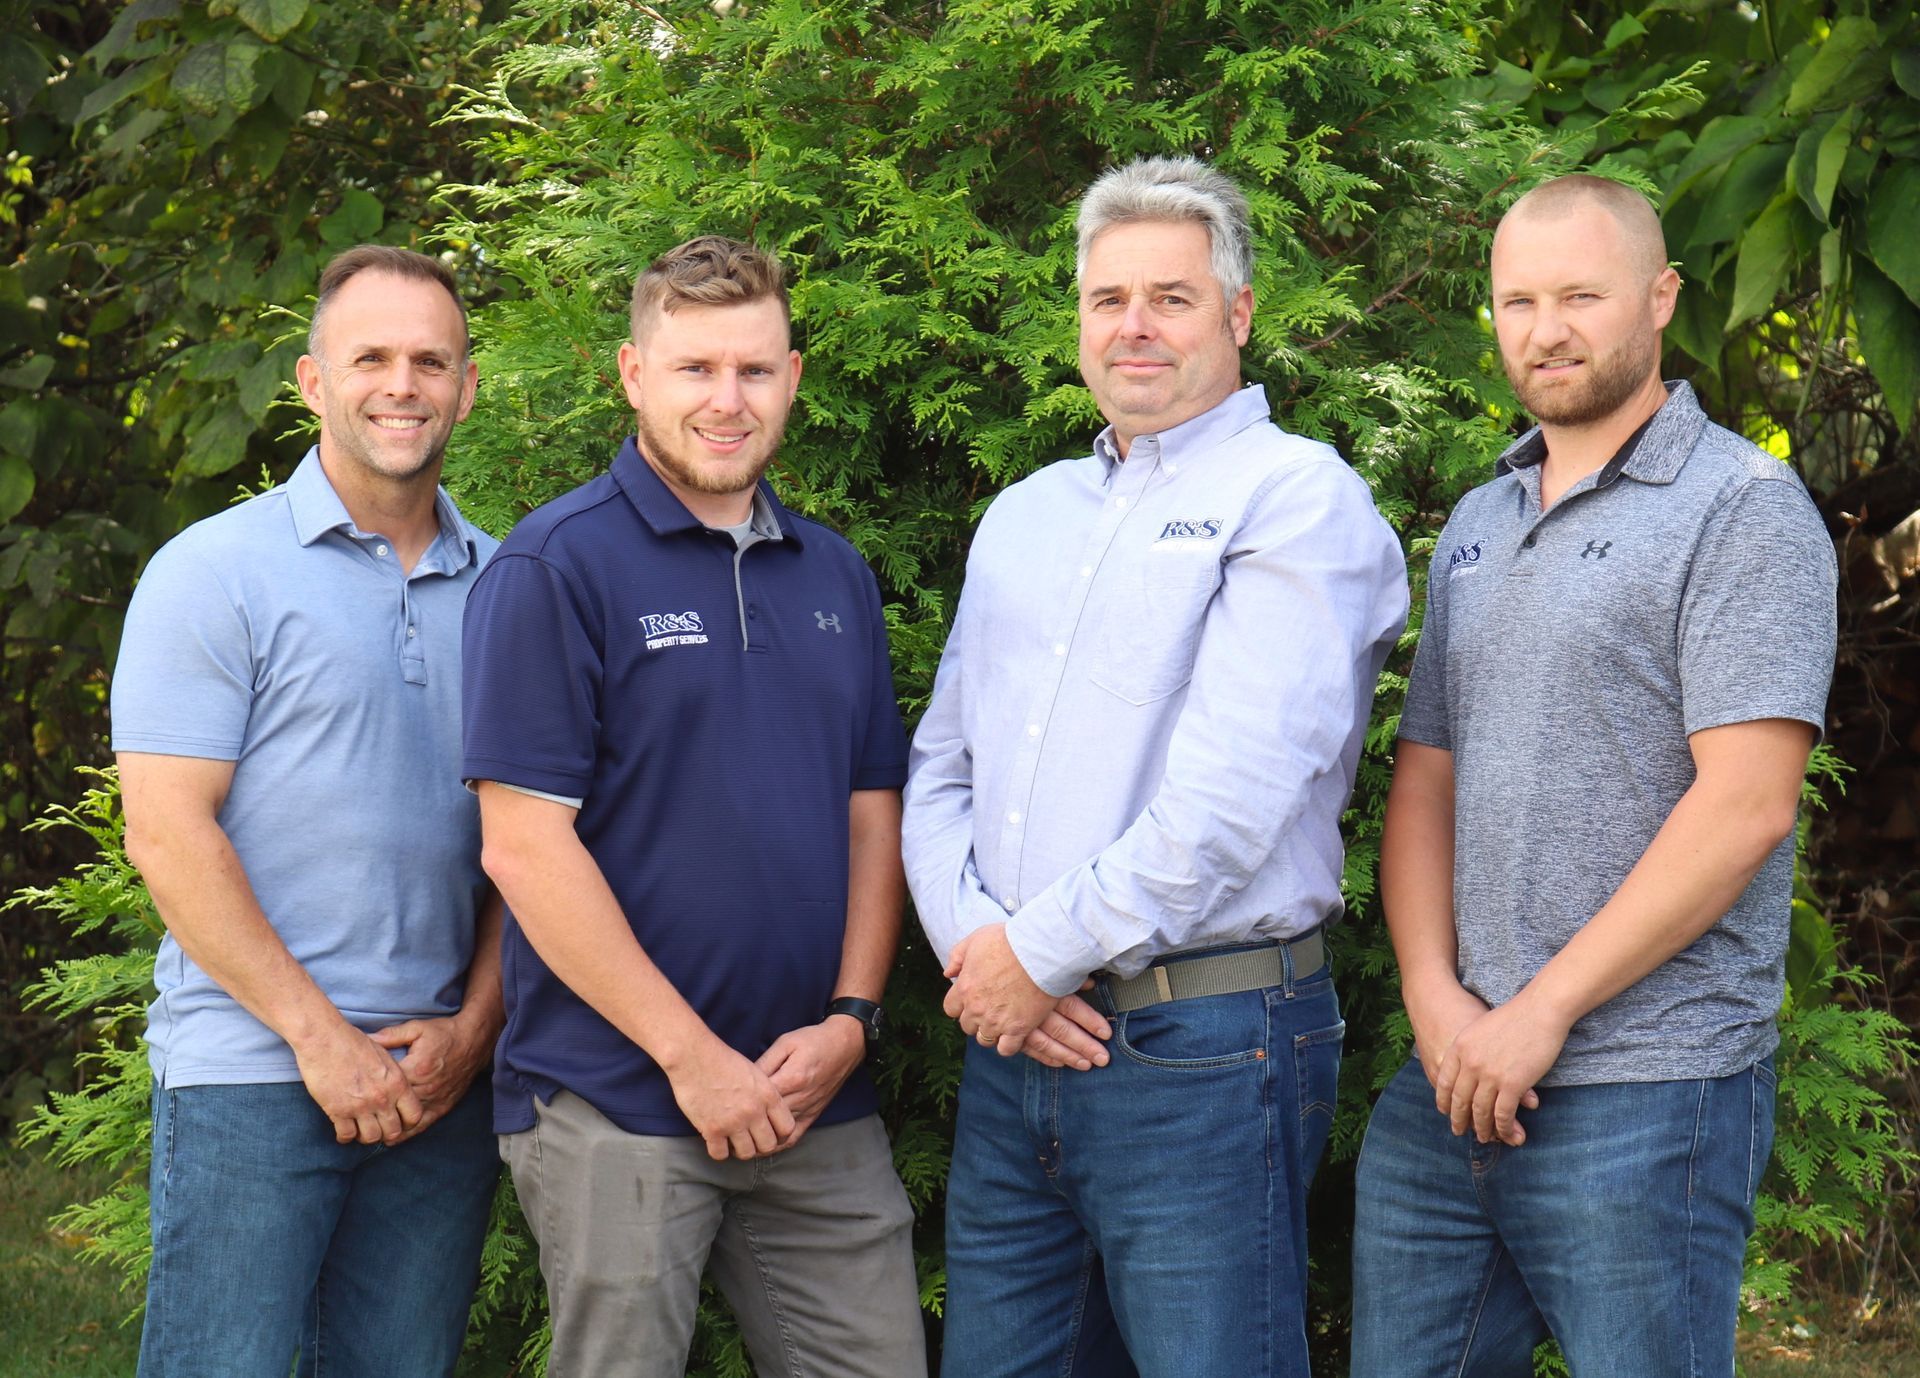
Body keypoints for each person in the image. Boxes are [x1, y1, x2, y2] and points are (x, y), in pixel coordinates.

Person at [903, 155, 1409, 1378]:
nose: (1133, 325)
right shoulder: (1025, 512)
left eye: (1172, 298)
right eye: (1107, 297)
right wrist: (984, 955)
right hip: (1016, 1048)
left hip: (1208, 1051)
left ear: (1237, 316)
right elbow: (938, 769)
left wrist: (1034, 955)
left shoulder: (1296, 501)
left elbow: (1229, 806)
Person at [1349, 174, 1838, 1376]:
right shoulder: (1479, 515)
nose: (1547, 329)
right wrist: (1436, 1000)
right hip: (1453, 1075)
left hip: (1649, 1088)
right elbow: (1428, 775)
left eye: (1581, 294)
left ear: (1661, 298)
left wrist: (1543, 1013)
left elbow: (1746, 805)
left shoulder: (1745, 509)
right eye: (1518, 300)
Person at [462, 235, 926, 1378]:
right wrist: (691, 1058)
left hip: (814, 1095)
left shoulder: (834, 575)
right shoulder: (555, 568)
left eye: (755, 372)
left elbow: (875, 810)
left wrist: (853, 1017)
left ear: (792, 379)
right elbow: (524, 848)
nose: (728, 401)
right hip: (617, 1098)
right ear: (632, 374)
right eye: (695, 370)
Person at [113, 245, 504, 1378]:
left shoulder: (512, 590)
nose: (402, 383)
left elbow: (532, 844)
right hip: (251, 1071)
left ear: (468, 386)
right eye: (369, 356)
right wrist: (319, 1041)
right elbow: (167, 833)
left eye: (430, 359)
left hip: (436, 1085)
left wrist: (473, 1034)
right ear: (311, 381)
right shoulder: (212, 572)